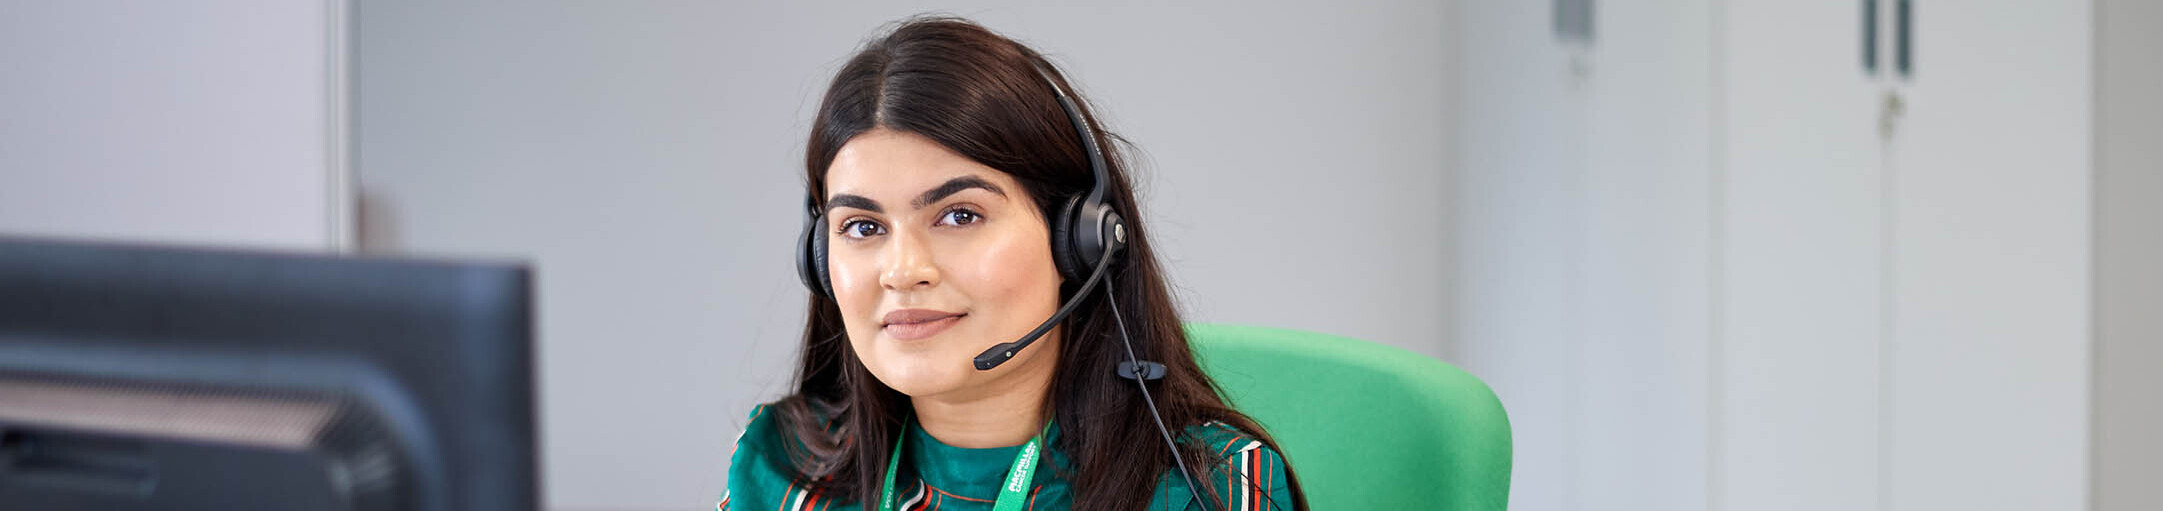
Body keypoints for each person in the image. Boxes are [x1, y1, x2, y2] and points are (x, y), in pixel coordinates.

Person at [720, 16, 1305, 511]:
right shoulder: (781, 465)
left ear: (1078, 242)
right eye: (863, 227)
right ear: (820, 259)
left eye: (959, 216)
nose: (902, 270)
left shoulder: (1211, 489)